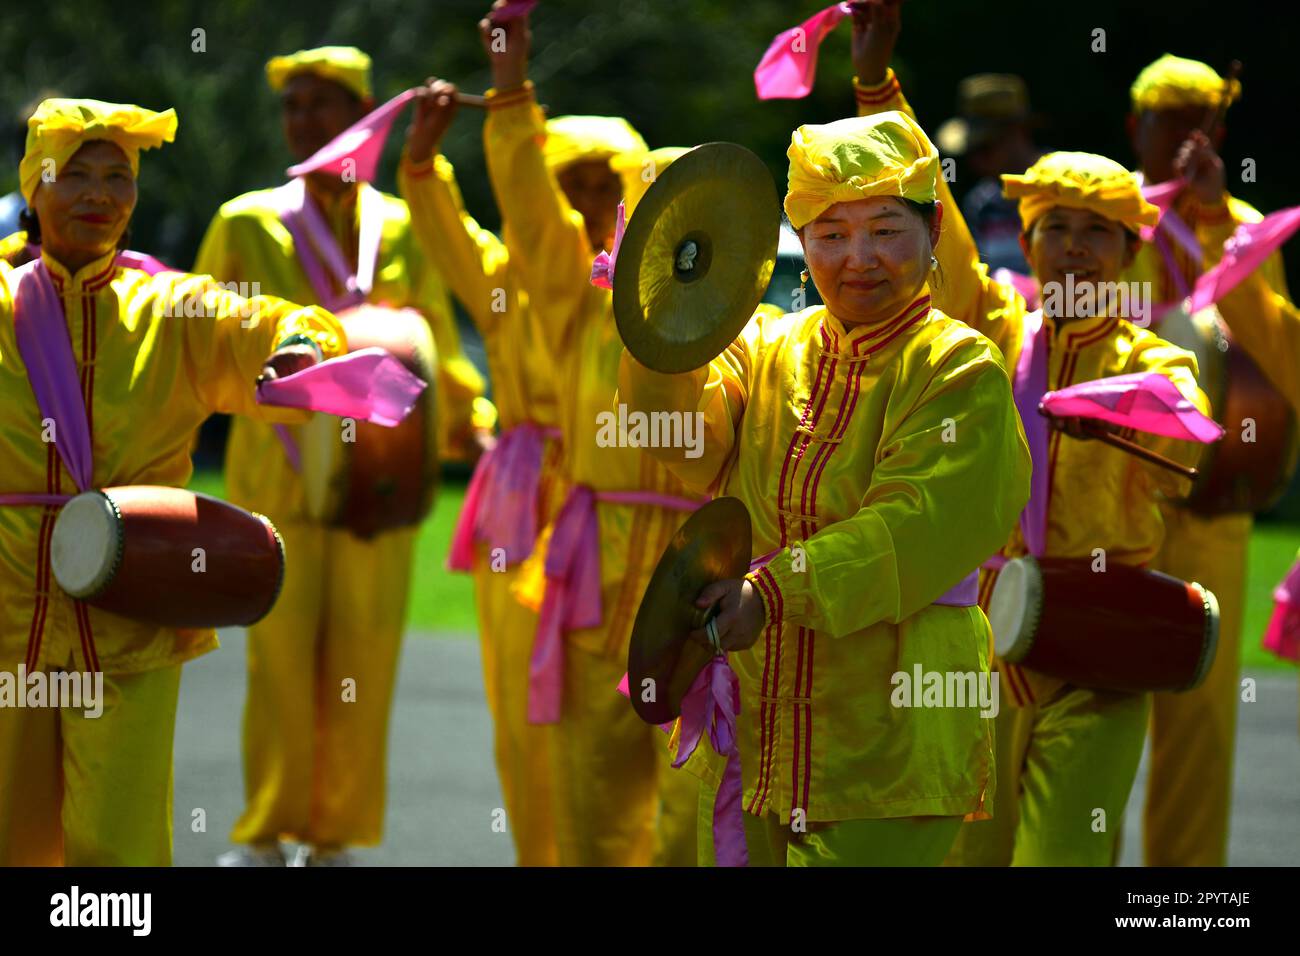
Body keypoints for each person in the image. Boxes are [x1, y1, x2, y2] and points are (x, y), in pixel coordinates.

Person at [847, 1, 1211, 865]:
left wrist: (1115, 412)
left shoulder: (1157, 360)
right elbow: (935, 216)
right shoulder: (995, 327)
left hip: (1100, 644)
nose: (1074, 250)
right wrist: (875, 84)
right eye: (1056, 229)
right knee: (971, 858)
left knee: (1066, 856)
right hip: (987, 641)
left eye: (1097, 233)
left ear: (1127, 254)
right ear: (1030, 240)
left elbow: (1185, 443)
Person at [621, 101, 1031, 866]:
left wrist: (772, 594)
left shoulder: (958, 367)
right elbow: (677, 439)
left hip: (895, 733)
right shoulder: (773, 343)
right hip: (765, 722)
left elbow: (910, 525)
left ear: (933, 231)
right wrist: (653, 324)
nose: (858, 258)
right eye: (831, 235)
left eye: (885, 230)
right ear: (800, 242)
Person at [0, 98, 345, 866]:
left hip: (133, 614)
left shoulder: (175, 309)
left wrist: (296, 350)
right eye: (75, 174)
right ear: (34, 186)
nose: (99, 194)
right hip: (6, 615)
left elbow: (280, 322)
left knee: (120, 851)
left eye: (118, 177)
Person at [195, 46, 492, 868]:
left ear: (361, 114)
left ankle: (335, 839)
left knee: (364, 665)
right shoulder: (247, 221)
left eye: (323, 104)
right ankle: (265, 834)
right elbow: (203, 339)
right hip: (278, 482)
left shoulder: (398, 225)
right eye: (293, 105)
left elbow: (433, 330)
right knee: (281, 668)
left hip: (380, 476)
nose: (304, 120)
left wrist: (471, 417)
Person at [475, 0, 700, 866]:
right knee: (588, 803)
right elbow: (530, 212)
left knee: (690, 806)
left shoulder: (733, 324)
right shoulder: (574, 297)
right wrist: (508, 84)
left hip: (693, 579)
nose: (610, 209)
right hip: (587, 571)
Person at [1125, 53, 1300, 867]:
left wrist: (1215, 220)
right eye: (1171, 119)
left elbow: (1280, 353)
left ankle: (1181, 904)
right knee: (1081, 712)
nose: (1189, 134)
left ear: (1221, 133)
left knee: (1199, 724)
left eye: (1204, 119)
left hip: (1211, 506)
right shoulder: (1106, 214)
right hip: (1111, 504)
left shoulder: (1242, 224)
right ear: (1137, 127)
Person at [399, 78, 568, 866]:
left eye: (606, 183)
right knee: (519, 694)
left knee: (619, 703)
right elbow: (445, 233)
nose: (583, 199)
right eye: (570, 183)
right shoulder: (501, 277)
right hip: (522, 497)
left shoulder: (646, 282)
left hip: (621, 496)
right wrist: (425, 157)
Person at [935, 73, 1044, 277]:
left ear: (1017, 131)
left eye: (985, 147)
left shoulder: (1064, 184)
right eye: (971, 151)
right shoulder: (981, 203)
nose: (976, 161)